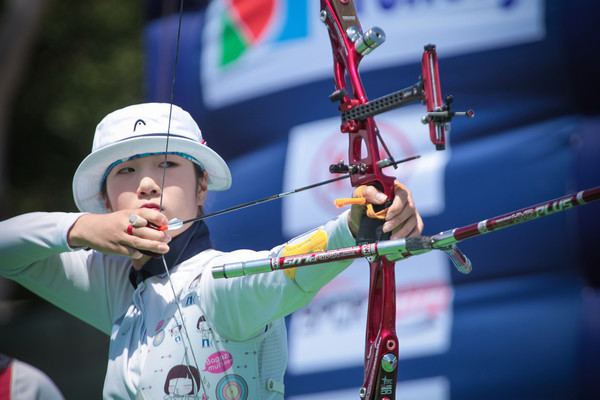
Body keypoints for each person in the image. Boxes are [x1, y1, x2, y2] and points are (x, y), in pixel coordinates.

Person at [0, 103, 423, 399]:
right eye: (126, 171)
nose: (147, 184)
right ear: (107, 200)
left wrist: (357, 226)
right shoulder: (112, 287)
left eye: (167, 165)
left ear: (202, 186)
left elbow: (287, 269)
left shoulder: (220, 283)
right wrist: (81, 229)